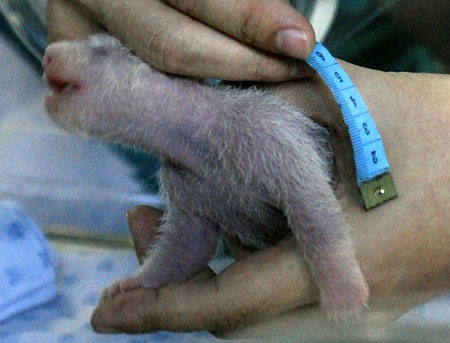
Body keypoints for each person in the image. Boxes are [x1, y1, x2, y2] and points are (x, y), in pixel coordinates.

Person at [45, 0, 449, 338]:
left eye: (100, 53)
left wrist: (335, 271)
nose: (52, 56)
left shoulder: (248, 123)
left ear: (144, 68)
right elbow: (191, 241)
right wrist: (145, 281)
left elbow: (307, 196)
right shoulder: (177, 174)